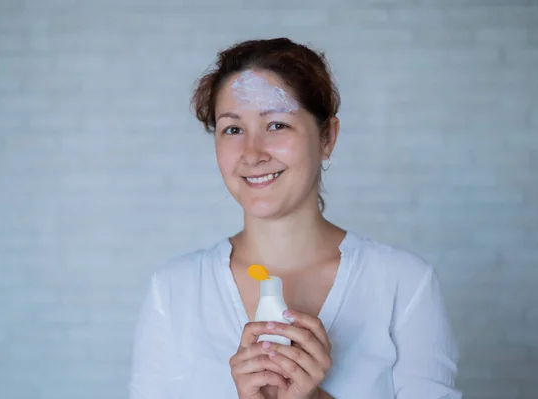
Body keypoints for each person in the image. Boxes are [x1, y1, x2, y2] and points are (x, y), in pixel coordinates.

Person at [128, 37, 461, 399]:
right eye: (233, 129)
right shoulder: (174, 291)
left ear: (327, 138)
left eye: (277, 125)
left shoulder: (404, 285)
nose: (252, 154)